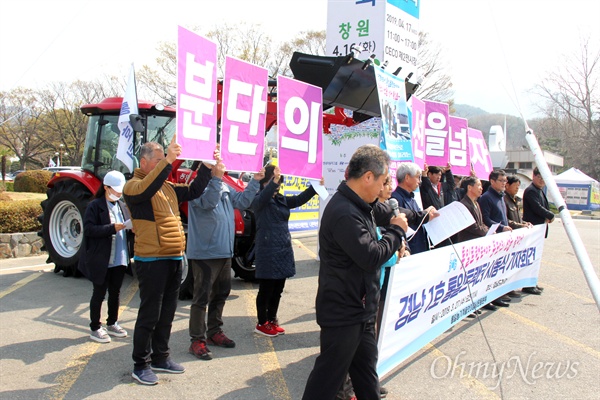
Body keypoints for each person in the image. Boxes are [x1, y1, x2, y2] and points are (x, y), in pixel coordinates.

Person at [303, 144, 408, 400]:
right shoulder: (344, 212)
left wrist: (402, 218)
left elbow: (385, 213)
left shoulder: (362, 204)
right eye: (383, 181)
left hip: (361, 310)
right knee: (326, 382)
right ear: (368, 177)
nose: (385, 188)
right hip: (343, 312)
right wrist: (396, 231)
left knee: (366, 375)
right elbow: (371, 256)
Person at [123, 138, 212, 386]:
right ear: (144, 162)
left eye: (164, 159)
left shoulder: (167, 187)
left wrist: (205, 165)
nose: (164, 163)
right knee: (149, 314)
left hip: (173, 257)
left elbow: (193, 192)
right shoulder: (133, 186)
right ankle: (140, 365)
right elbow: (145, 189)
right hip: (151, 259)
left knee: (167, 313)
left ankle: (161, 357)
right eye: (159, 159)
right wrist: (170, 161)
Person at [187, 156, 263, 360]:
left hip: (224, 252)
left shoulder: (222, 186)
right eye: (217, 163)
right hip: (204, 253)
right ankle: (197, 340)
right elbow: (208, 203)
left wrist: (255, 181)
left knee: (221, 294)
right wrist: (216, 179)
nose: (222, 165)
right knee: (201, 298)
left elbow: (242, 201)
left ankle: (214, 332)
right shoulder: (196, 186)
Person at [251, 165, 322, 337]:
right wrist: (273, 183)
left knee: (278, 288)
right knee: (266, 288)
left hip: (282, 249)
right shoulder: (259, 199)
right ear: (266, 183)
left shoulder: (280, 198)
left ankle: (272, 319)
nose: (278, 186)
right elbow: (265, 195)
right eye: (274, 182)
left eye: (279, 183)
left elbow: (298, 200)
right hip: (268, 249)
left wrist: (315, 187)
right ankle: (262, 323)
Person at [78, 170, 132, 343]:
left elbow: (125, 227)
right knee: (99, 293)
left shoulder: (122, 206)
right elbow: (89, 230)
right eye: (115, 190)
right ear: (106, 187)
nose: (118, 193)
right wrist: (112, 228)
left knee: (115, 292)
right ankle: (95, 327)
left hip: (119, 256)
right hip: (101, 258)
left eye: (120, 190)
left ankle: (112, 323)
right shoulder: (94, 206)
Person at [477, 170, 513, 308]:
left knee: (500, 269)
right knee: (490, 270)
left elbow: (503, 216)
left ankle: (497, 295)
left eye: (505, 181)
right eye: (501, 181)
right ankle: (487, 298)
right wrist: (501, 228)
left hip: (503, 238)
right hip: (493, 238)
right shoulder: (486, 197)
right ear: (492, 182)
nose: (504, 183)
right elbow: (485, 219)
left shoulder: (501, 196)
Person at [456, 176, 489, 315]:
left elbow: (480, 224)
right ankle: (466, 306)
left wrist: (486, 229)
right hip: (467, 246)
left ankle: (474, 303)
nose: (481, 188)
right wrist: (487, 231)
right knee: (467, 279)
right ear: (470, 187)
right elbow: (472, 226)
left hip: (476, 245)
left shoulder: (476, 203)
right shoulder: (464, 204)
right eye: (479, 185)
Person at [391, 162, 438, 254]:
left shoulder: (412, 199)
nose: (419, 181)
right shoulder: (395, 199)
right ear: (407, 178)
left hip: (421, 248)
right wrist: (425, 214)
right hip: (410, 251)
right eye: (417, 177)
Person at [522, 167, 554, 295]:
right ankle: (528, 285)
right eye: (539, 177)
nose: (541, 180)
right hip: (533, 229)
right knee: (531, 258)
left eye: (544, 178)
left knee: (536, 258)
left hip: (540, 230)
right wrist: (550, 215)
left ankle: (532, 282)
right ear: (533, 176)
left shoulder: (539, 190)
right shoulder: (531, 191)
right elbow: (537, 208)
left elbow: (543, 206)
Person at [503, 175, 533, 298]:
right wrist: (519, 225)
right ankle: (505, 289)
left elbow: (518, 217)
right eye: (515, 186)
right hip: (508, 236)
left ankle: (511, 286)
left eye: (518, 187)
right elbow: (506, 220)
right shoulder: (504, 199)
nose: (517, 189)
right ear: (507, 185)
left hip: (517, 236)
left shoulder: (515, 200)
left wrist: (524, 223)